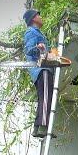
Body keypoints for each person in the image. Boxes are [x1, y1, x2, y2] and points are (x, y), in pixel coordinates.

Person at [23, 9, 54, 138]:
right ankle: (43, 126)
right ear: (33, 18)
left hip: (40, 70)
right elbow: (28, 50)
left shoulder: (37, 33)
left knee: (43, 98)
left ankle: (37, 128)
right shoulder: (31, 32)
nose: (41, 17)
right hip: (42, 69)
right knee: (47, 97)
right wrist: (38, 48)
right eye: (38, 15)